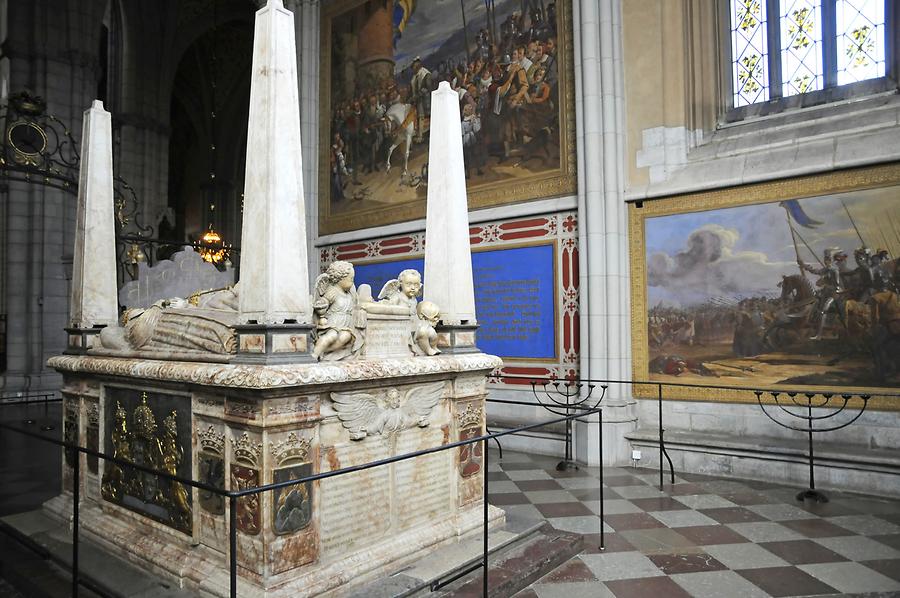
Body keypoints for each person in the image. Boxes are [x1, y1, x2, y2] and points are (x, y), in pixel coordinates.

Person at [800, 248, 849, 340]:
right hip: (828, 293)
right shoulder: (826, 270)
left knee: (823, 310)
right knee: (816, 306)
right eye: (825, 259)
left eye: (828, 259)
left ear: (831, 260)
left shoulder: (834, 270)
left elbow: (837, 286)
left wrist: (827, 287)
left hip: (836, 294)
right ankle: (814, 326)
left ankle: (819, 335)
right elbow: (815, 271)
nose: (826, 261)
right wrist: (803, 266)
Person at [409, 57, 433, 143]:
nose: (413, 68)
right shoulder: (414, 77)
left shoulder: (426, 74)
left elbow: (428, 87)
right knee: (420, 117)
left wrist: (418, 95)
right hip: (418, 100)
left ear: (418, 65)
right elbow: (412, 89)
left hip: (426, 99)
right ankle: (420, 135)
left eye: (414, 66)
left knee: (427, 116)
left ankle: (431, 134)